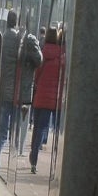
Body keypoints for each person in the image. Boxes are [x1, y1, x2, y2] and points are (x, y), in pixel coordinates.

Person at [0, 10, 42, 173]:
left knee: (2, 131)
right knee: (15, 130)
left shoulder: (2, 37)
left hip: (3, 92)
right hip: (19, 95)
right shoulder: (28, 39)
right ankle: (9, 163)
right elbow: (39, 60)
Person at [28, 27, 65, 174]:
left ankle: (34, 159)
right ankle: (52, 166)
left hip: (40, 97)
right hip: (53, 100)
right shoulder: (62, 58)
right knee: (48, 129)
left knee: (37, 128)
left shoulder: (42, 54)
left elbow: (36, 76)